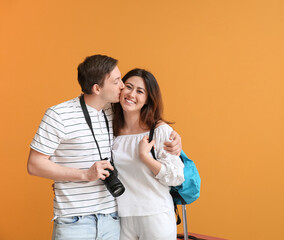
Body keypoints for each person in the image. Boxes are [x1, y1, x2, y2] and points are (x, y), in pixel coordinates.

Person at [27, 55, 182, 240]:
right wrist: (83, 175)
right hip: (76, 221)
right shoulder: (59, 115)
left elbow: (144, 122)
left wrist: (172, 137)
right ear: (97, 88)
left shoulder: (112, 113)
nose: (123, 87)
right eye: (118, 81)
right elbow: (34, 164)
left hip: (113, 219)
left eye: (122, 81)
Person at [112, 68, 185, 240]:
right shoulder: (111, 130)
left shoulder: (159, 131)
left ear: (147, 99)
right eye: (128, 87)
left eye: (140, 91)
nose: (131, 94)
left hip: (155, 216)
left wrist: (145, 158)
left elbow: (176, 176)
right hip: (122, 217)